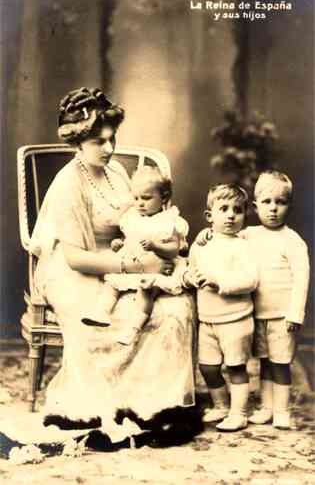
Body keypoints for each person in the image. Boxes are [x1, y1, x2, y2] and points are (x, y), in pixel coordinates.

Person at [29, 87, 195, 443]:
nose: (109, 148)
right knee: (106, 318)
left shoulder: (117, 171)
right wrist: (130, 267)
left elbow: (137, 219)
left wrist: (148, 254)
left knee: (176, 306)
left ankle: (156, 405)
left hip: (126, 258)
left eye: (111, 138)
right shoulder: (67, 184)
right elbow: (75, 257)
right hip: (80, 269)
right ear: (77, 142)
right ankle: (110, 406)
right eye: (98, 142)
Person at [82, 165, 189, 346]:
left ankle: (133, 328)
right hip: (133, 262)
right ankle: (102, 312)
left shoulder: (168, 221)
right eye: (136, 198)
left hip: (157, 268)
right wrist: (120, 244)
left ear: (164, 197)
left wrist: (156, 246)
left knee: (145, 291)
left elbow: (174, 249)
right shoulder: (132, 218)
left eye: (146, 198)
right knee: (112, 283)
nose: (140, 203)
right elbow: (130, 239)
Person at [183, 184, 258, 431]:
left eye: (237, 210)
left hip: (235, 319)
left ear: (244, 216)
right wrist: (191, 278)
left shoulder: (243, 245)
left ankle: (239, 413)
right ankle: (221, 405)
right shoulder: (201, 244)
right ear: (209, 216)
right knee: (208, 366)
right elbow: (190, 269)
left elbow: (250, 280)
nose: (230, 215)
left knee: (235, 366)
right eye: (223, 209)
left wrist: (220, 282)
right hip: (207, 319)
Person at [241, 171, 310, 429]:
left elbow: (302, 279)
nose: (273, 209)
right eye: (267, 202)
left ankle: (281, 410)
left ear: (288, 206)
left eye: (280, 202)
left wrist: (295, 314)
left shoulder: (293, 241)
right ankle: (266, 407)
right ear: (256, 206)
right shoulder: (248, 234)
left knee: (280, 363)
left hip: (282, 316)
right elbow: (223, 239)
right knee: (263, 362)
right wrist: (207, 237)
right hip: (256, 312)